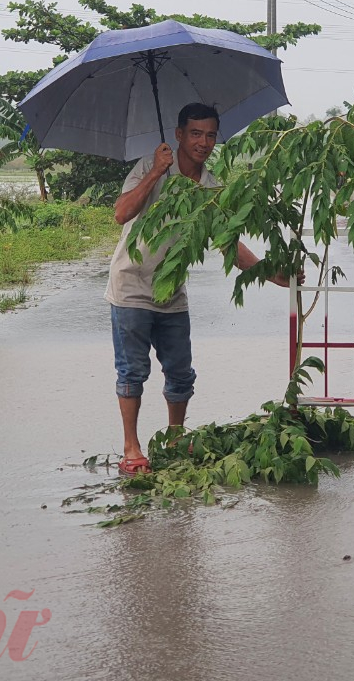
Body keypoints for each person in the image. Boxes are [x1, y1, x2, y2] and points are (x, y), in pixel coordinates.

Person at [106, 102, 291, 476]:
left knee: (180, 373)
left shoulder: (210, 186)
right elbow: (121, 213)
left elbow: (228, 243)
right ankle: (132, 447)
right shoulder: (151, 165)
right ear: (178, 135)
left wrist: (273, 273)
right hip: (130, 287)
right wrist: (156, 173)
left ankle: (174, 441)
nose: (203, 142)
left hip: (172, 293)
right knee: (132, 372)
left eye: (209, 135)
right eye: (195, 134)